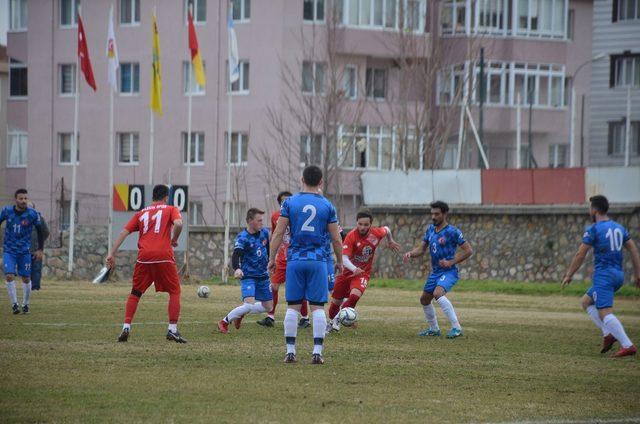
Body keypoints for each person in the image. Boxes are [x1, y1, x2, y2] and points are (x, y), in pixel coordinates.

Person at [269, 165, 343, 365]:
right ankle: (317, 352)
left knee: (293, 306)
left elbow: (277, 233)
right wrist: (340, 261)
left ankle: (291, 352)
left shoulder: (290, 203)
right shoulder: (328, 205)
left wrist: (271, 259)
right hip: (318, 261)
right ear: (321, 182)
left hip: (295, 261)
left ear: (301, 179)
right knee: (317, 307)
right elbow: (336, 239)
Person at [106, 184, 186, 343]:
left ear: (153, 198)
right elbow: (178, 224)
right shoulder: (170, 208)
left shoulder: (141, 213)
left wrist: (111, 254)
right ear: (165, 197)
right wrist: (174, 239)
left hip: (144, 257)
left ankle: (126, 327)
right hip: (163, 256)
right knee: (175, 291)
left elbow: (124, 232)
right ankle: (172, 330)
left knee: (135, 292)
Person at [562, 195, 640, 358]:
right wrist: (637, 274)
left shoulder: (594, 229)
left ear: (595, 210)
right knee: (586, 302)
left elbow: (580, 254)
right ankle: (608, 334)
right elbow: (633, 249)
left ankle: (627, 345)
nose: (589, 211)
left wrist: (569, 275)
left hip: (604, 275)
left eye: (590, 208)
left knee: (605, 313)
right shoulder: (619, 228)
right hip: (618, 275)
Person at [403, 201, 473, 339]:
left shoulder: (452, 232)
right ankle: (434, 329)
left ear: (445, 214)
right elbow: (421, 249)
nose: (433, 217)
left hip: (449, 272)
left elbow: (468, 250)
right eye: (432, 214)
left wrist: (451, 262)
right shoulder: (430, 230)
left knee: (438, 293)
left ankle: (456, 327)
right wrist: (410, 253)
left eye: (437, 214)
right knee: (424, 299)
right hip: (436, 273)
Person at [327, 209, 400, 332]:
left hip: (362, 273)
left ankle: (338, 320)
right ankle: (332, 319)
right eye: (360, 224)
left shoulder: (376, 233)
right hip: (347, 272)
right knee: (335, 304)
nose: (362, 227)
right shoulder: (351, 236)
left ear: (370, 224)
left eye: (366, 224)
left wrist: (390, 240)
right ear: (356, 223)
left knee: (354, 296)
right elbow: (344, 259)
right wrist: (354, 268)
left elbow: (386, 229)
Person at [218, 208, 273, 333]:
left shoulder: (264, 233)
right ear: (250, 221)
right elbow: (236, 255)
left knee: (268, 307)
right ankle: (224, 322)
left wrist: (271, 262)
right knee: (248, 305)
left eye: (262, 220)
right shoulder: (243, 238)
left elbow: (268, 249)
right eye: (259, 220)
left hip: (263, 276)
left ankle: (240, 313)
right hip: (249, 276)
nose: (261, 223)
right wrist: (237, 268)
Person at [0, 189, 45, 314]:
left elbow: (40, 231)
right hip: (9, 250)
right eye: (21, 198)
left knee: (26, 278)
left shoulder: (32, 214)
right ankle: (15, 304)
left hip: (24, 251)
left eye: (25, 198)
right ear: (16, 200)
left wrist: (40, 249)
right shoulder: (6, 211)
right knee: (9, 276)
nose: (24, 201)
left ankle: (25, 304)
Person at [257, 191, 292, 327]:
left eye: (288, 200)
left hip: (295, 257)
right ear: (280, 203)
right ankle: (270, 316)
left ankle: (304, 318)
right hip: (282, 258)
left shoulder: (297, 214)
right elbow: (275, 235)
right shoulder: (276, 216)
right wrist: (273, 255)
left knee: (296, 288)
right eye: (283, 201)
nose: (286, 202)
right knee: (273, 286)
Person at [27, 202, 50, 291]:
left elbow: (46, 232)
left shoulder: (40, 220)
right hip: (25, 250)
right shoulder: (22, 219)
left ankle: (35, 287)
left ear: (34, 209)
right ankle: (27, 287)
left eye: (30, 207)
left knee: (36, 269)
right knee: (26, 270)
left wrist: (39, 243)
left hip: (37, 250)